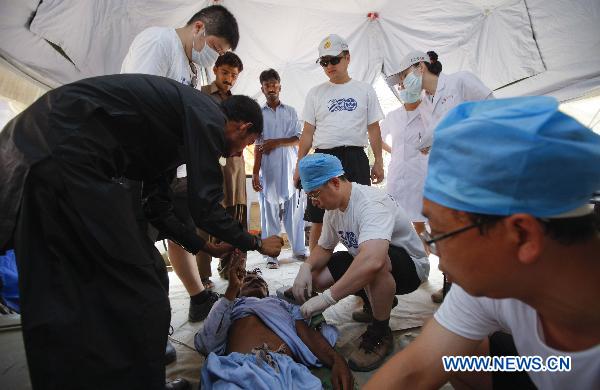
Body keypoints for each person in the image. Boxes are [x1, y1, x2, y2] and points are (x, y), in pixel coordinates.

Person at [0, 74, 284, 390]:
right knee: (135, 289)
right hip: (58, 153)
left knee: (124, 277)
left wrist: (203, 245)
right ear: (242, 128)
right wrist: (256, 242)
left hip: (45, 152)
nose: (236, 154)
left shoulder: (173, 131)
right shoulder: (207, 113)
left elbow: (156, 204)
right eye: (244, 145)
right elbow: (204, 203)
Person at [365, 96, 600, 390]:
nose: (441, 261)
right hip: (544, 365)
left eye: (439, 235)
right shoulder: (498, 278)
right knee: (456, 355)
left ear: (523, 235)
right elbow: (414, 372)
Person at [121, 4, 239, 321]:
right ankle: (143, 327)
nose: (216, 58)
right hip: (139, 164)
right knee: (141, 252)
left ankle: (198, 297)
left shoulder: (193, 69)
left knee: (181, 230)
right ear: (199, 27)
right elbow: (139, 106)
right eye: (215, 48)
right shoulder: (158, 42)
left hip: (170, 168)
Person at [290, 153, 430, 371]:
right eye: (310, 196)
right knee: (317, 277)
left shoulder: (371, 203)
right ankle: (377, 301)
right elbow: (325, 247)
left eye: (315, 194)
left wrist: (328, 299)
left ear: (335, 182)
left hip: (409, 267)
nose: (314, 202)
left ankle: (381, 332)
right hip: (370, 259)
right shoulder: (333, 210)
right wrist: (305, 267)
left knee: (375, 263)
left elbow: (373, 260)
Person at [389, 50, 494, 303]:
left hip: (477, 167)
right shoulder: (427, 100)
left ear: (421, 67)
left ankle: (482, 289)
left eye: (404, 75)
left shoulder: (460, 81)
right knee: (454, 231)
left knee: (479, 230)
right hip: (451, 172)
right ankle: (454, 287)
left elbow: (492, 110)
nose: (402, 83)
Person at [195, 252, 353, 389]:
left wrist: (336, 360)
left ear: (267, 290)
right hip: (241, 371)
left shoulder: (281, 304)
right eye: (247, 279)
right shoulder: (231, 306)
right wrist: (231, 290)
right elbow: (206, 344)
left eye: (259, 279)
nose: (253, 278)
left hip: (288, 372)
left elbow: (307, 334)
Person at [294, 34, 385, 254]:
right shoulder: (315, 93)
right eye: (324, 62)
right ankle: (313, 272)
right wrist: (298, 165)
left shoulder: (365, 89)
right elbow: (307, 133)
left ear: (347, 58)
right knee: (319, 217)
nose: (329, 66)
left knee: (361, 211)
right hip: (322, 159)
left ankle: (364, 264)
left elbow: (374, 129)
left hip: (355, 156)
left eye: (334, 60)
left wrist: (379, 161)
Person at [196, 52, 247, 287]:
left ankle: (232, 269)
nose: (228, 79)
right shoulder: (201, 95)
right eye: (225, 72)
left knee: (235, 217)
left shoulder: (237, 103)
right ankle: (202, 276)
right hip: (208, 166)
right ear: (215, 69)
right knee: (204, 219)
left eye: (234, 75)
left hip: (234, 168)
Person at [381, 51, 442, 237]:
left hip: (421, 177)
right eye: (400, 85)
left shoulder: (430, 109)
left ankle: (427, 259)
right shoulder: (393, 116)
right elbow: (377, 137)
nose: (402, 87)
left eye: (404, 81)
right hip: (397, 176)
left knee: (422, 228)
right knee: (394, 225)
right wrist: (394, 152)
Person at [252, 68, 307, 269]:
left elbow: (298, 139)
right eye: (267, 85)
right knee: (269, 214)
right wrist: (255, 172)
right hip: (268, 171)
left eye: (274, 84)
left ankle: (299, 250)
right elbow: (257, 143)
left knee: (295, 212)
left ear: (280, 86)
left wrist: (275, 142)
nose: (271, 88)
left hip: (291, 170)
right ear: (262, 89)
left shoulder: (290, 111)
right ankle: (271, 255)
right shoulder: (258, 114)